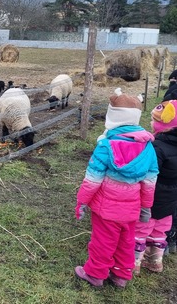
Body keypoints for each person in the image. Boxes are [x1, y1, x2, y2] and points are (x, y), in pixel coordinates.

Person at [74, 88, 159, 288]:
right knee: (126, 242)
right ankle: (120, 276)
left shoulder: (106, 145)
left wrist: (82, 201)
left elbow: (92, 179)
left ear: (112, 116)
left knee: (102, 241)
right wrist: (146, 207)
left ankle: (95, 274)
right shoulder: (147, 146)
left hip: (106, 209)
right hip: (131, 208)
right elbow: (150, 180)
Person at [134, 99, 177, 273]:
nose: (150, 123)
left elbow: (147, 173)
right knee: (160, 230)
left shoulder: (156, 147)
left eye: (153, 120)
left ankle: (134, 263)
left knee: (141, 229)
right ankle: (155, 261)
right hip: (172, 198)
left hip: (153, 197)